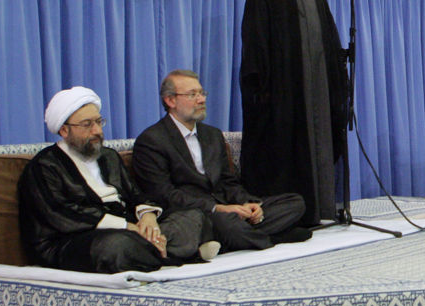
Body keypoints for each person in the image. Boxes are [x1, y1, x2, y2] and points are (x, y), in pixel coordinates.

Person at [18, 87, 216, 273]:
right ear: (64, 130)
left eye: (99, 122)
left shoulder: (109, 157)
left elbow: (135, 195)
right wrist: (128, 228)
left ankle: (154, 250)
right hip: (72, 240)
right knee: (116, 246)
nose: (97, 131)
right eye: (87, 124)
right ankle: (174, 253)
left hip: (128, 229)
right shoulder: (45, 166)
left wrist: (148, 218)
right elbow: (64, 215)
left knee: (192, 217)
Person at [240, 0, 348, 224]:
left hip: (318, 95)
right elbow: (256, 49)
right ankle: (293, 217)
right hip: (283, 101)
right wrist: (264, 97)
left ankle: (322, 210)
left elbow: (330, 41)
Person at [133, 70, 310, 251]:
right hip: (196, 213)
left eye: (202, 93)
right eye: (192, 95)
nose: (201, 100)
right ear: (171, 101)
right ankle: (274, 237)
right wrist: (217, 208)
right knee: (229, 225)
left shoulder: (212, 135)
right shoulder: (152, 140)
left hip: (227, 208)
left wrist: (248, 204)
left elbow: (228, 181)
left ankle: (238, 238)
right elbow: (164, 195)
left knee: (295, 202)